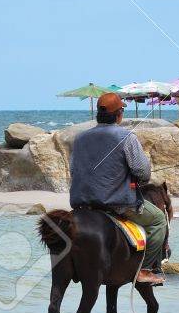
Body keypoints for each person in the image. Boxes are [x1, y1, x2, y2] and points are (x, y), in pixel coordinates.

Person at [67, 92, 168, 285]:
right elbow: (143, 173)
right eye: (121, 110)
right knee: (158, 220)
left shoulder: (80, 138)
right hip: (117, 205)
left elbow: (74, 170)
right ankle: (144, 270)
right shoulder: (126, 137)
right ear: (119, 114)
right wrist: (133, 180)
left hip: (82, 204)